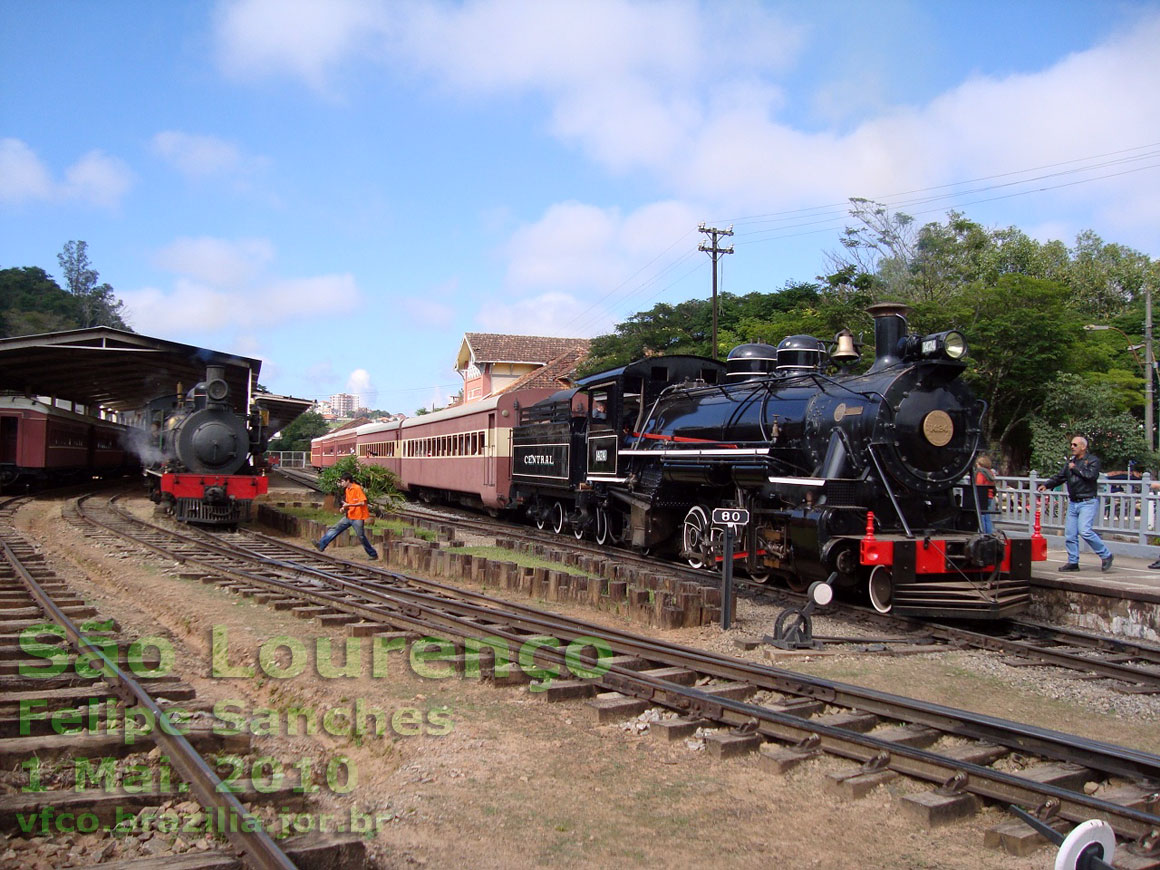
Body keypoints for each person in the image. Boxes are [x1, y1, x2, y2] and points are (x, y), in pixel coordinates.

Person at [1037, 435, 1113, 572]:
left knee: (1085, 530)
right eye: (1071, 445)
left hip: (1087, 501)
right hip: (1073, 502)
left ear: (1083, 447)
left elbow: (1091, 476)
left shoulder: (1092, 461)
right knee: (1070, 533)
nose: (1072, 447)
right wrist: (1046, 485)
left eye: (1075, 445)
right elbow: (1060, 477)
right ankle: (1073, 562)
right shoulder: (1070, 463)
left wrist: (1075, 469)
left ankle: (1106, 555)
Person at [315, 471, 379, 560]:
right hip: (349, 515)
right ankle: (321, 545)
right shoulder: (347, 490)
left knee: (361, 536)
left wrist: (348, 505)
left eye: (342, 481)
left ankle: (373, 554)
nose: (341, 484)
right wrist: (344, 508)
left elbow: (362, 502)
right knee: (335, 528)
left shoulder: (357, 488)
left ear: (348, 481)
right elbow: (349, 503)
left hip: (357, 517)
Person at [974, 454, 997, 534]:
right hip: (990, 495)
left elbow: (979, 485)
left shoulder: (980, 473)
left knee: (981, 516)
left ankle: (982, 532)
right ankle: (989, 532)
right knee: (987, 515)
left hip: (982, 496)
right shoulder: (990, 472)